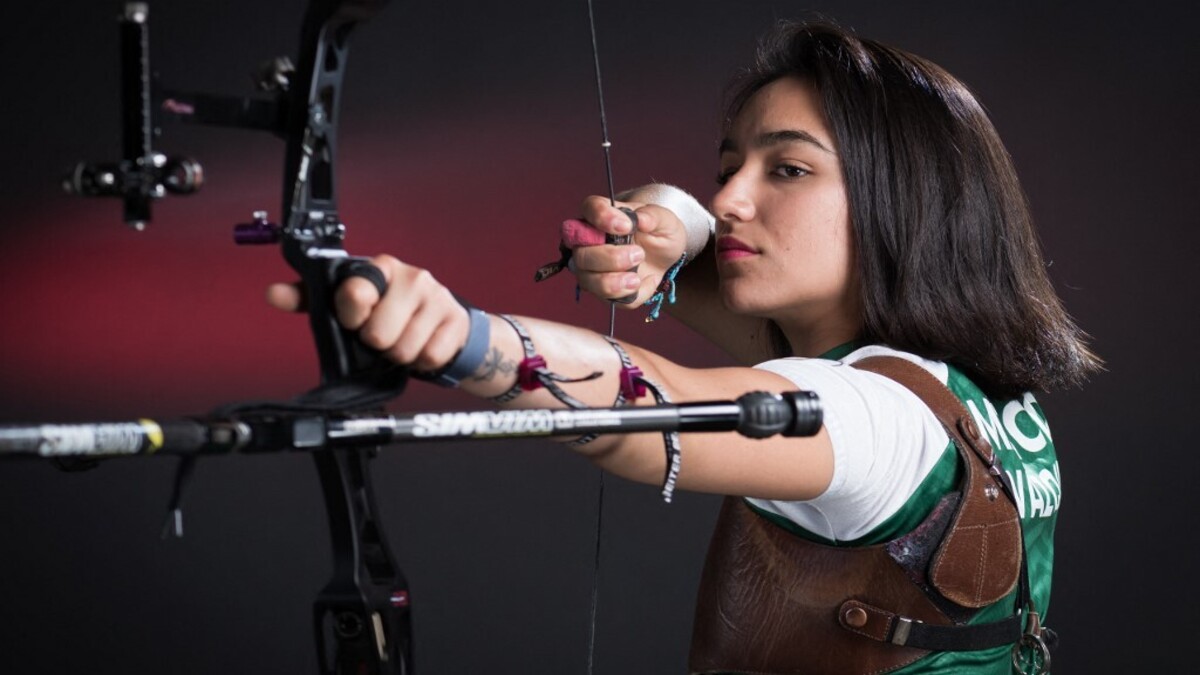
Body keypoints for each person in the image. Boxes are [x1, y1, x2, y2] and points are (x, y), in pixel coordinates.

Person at [268, 20, 1098, 675]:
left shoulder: (876, 421)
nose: (731, 197)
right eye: (729, 164)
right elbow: (689, 240)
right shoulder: (957, 382)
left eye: (789, 170)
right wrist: (666, 219)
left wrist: (463, 337)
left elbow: (651, 401)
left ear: (902, 200)